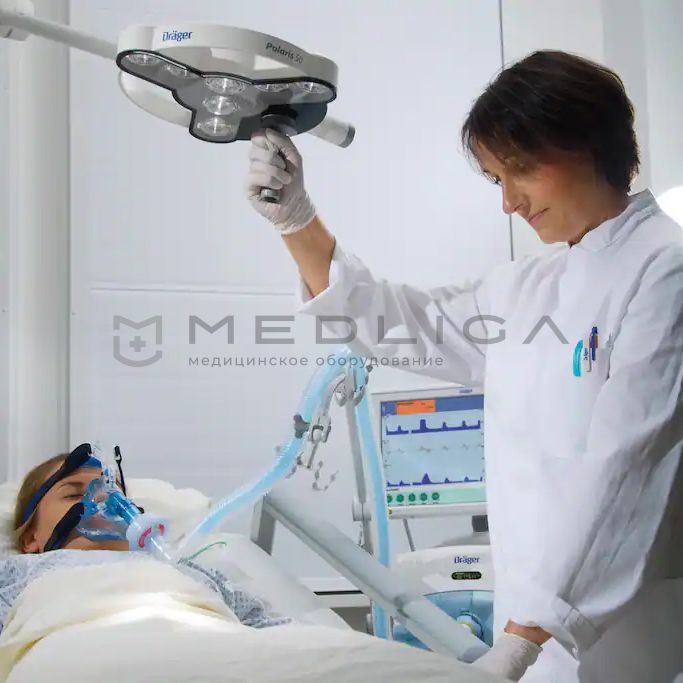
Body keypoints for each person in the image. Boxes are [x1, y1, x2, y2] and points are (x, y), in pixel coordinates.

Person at [246, 50, 683, 682]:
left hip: (625, 644)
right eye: (496, 180)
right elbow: (395, 322)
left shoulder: (665, 269)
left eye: (519, 171)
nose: (509, 202)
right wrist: (296, 218)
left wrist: (520, 644)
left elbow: (627, 470)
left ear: (589, 143)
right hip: (532, 635)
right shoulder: (530, 287)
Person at [2, 446, 289, 634]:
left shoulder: (184, 568)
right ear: (30, 540)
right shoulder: (20, 572)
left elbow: (271, 631)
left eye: (112, 494)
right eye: (74, 493)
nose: (102, 502)